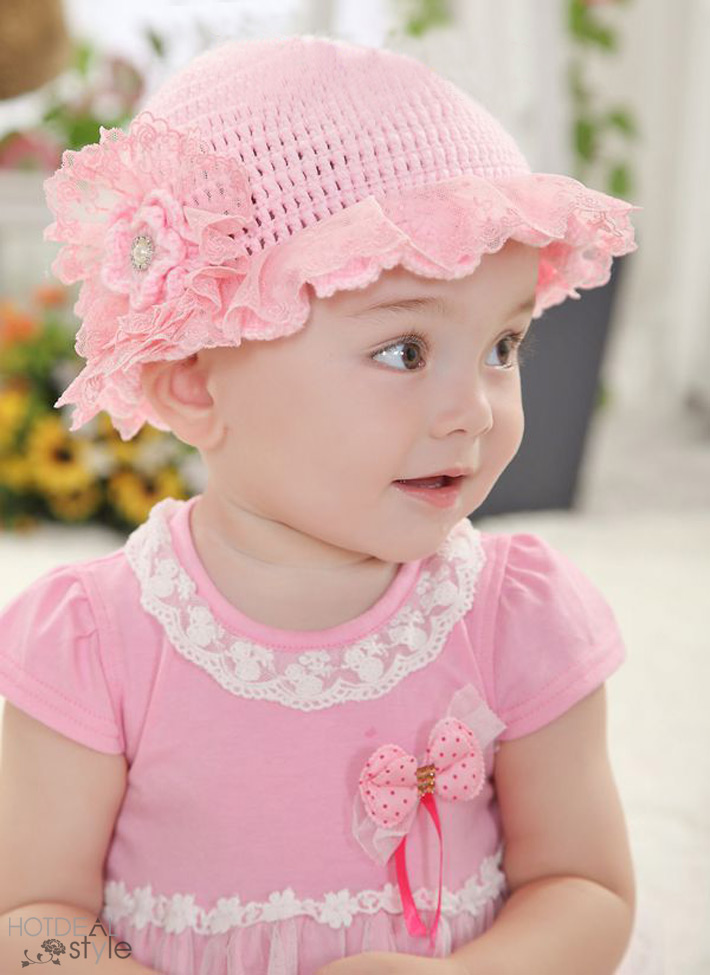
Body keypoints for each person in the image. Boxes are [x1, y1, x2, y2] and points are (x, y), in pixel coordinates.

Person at [0, 34, 661, 975]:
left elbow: (585, 887)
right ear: (194, 380)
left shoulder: (516, 617)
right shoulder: (96, 641)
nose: (474, 410)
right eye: (404, 351)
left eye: (502, 347)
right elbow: (30, 919)